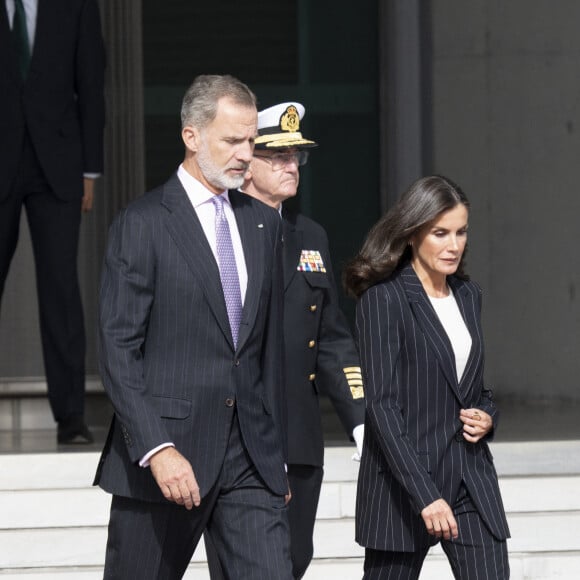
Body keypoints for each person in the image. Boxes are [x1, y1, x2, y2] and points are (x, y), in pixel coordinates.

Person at [93, 75, 293, 579]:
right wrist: (156, 449)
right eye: (232, 140)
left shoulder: (264, 226)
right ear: (192, 136)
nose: (246, 154)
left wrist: (275, 456)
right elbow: (119, 348)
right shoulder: (143, 223)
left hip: (249, 459)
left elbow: (265, 352)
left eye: (251, 140)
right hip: (165, 456)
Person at [206, 102, 365, 579]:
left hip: (298, 435)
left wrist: (359, 418)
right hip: (238, 437)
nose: (291, 166)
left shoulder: (309, 234)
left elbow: (332, 339)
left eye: (296, 156)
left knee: (294, 559)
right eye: (277, 156)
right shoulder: (220, 227)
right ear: (247, 160)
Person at [343, 175, 510, 579]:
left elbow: (470, 386)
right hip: (404, 485)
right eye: (440, 233)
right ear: (413, 233)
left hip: (470, 477)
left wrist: (487, 415)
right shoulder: (384, 300)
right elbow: (381, 407)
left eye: (461, 232)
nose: (454, 245)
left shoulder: (469, 296)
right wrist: (425, 495)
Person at [0, 0, 106, 444]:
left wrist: (90, 170)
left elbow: (91, 81)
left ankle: (70, 417)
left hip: (59, 167)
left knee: (61, 292)